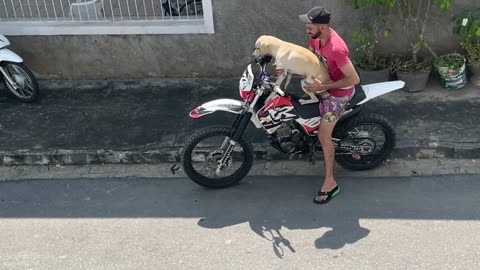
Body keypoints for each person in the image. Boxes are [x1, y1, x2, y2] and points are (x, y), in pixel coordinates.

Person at [287, 6, 360, 204]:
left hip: (338, 96)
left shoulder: (337, 49)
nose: (306, 29)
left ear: (322, 26)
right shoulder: (315, 37)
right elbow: (310, 60)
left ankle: (330, 183)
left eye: (309, 25)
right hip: (323, 86)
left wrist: (324, 86)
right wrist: (286, 68)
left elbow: (354, 79)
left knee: (322, 135)